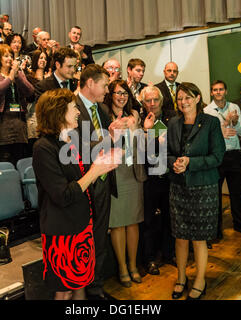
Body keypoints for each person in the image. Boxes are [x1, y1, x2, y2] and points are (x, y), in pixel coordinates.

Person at [33, 89, 119, 300]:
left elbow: (86, 166)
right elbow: (63, 195)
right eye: (74, 108)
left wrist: (107, 152)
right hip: (62, 230)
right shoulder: (43, 148)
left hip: (81, 224)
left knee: (81, 282)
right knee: (64, 290)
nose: (78, 112)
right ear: (58, 111)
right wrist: (94, 172)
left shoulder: (69, 140)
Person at [75, 64, 130, 299]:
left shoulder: (102, 108)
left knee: (99, 239)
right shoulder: (71, 107)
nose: (108, 90)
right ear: (90, 83)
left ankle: (95, 288)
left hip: (105, 181)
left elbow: (116, 144)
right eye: (105, 85)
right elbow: (73, 148)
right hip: (82, 184)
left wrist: (119, 135)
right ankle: (82, 289)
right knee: (83, 241)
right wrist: (108, 139)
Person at [167, 82, 225, 300]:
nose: (183, 102)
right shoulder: (172, 123)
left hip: (204, 187)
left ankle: (200, 279)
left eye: (188, 97)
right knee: (180, 236)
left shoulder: (210, 122)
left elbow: (217, 157)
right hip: (178, 186)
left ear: (198, 98)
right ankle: (181, 277)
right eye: (180, 98)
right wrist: (176, 162)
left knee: (199, 238)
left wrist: (190, 162)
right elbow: (165, 153)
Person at [104, 79, 146, 287]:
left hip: (133, 172)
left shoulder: (134, 116)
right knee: (118, 223)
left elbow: (141, 147)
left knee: (133, 221)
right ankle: (122, 267)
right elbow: (96, 148)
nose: (121, 97)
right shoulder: (103, 117)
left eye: (125, 93)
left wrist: (141, 130)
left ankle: (133, 265)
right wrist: (112, 135)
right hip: (114, 172)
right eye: (118, 93)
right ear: (110, 94)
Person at [204, 80, 241, 238]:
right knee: (215, 195)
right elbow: (205, 137)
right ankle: (216, 230)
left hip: (234, 155)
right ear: (211, 93)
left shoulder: (234, 107)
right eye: (215, 90)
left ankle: (239, 224)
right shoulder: (206, 111)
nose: (218, 92)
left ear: (226, 91)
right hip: (216, 157)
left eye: (221, 89)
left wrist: (234, 122)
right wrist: (223, 127)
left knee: (236, 193)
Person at [140, 85, 177, 276]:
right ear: (143, 102)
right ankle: (150, 258)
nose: (152, 104)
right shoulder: (139, 120)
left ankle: (169, 253)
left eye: (155, 100)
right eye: (148, 100)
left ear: (161, 101)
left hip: (169, 176)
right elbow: (138, 151)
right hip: (149, 178)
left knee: (170, 217)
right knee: (149, 220)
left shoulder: (173, 117)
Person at [0, 44, 34, 166]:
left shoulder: (18, 74)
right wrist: (9, 78)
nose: (10, 58)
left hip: (19, 121)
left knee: (20, 158)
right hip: (2, 121)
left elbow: (30, 92)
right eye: (6, 56)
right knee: (5, 159)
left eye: (11, 56)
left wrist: (17, 77)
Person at [25, 49, 48, 156]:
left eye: (45, 58)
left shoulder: (50, 79)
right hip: (33, 118)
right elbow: (31, 97)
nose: (43, 60)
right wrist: (44, 83)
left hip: (47, 119)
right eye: (40, 58)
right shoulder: (29, 78)